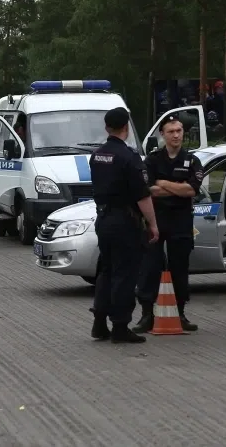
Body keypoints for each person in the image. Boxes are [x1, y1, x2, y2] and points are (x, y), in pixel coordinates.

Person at [89, 107, 159, 344]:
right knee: (125, 274)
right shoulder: (129, 157)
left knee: (106, 271)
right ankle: (120, 326)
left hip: (103, 219)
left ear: (107, 128)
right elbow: (142, 195)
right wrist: (152, 223)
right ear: (126, 128)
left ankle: (99, 322)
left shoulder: (97, 155)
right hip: (125, 222)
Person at [134, 114, 203, 333]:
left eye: (179, 131)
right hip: (156, 219)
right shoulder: (152, 160)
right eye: (171, 131)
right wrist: (177, 188)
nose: (176, 135)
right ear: (162, 134)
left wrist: (163, 183)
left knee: (180, 268)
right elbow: (149, 190)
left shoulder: (192, 160)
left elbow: (191, 190)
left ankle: (180, 313)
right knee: (149, 267)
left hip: (181, 221)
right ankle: (146, 315)